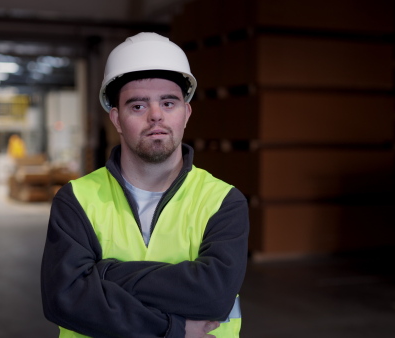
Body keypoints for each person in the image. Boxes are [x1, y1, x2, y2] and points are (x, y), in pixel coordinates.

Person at [41, 32, 249, 338]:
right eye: (138, 106)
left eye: (168, 103)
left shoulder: (223, 201)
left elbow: (213, 294)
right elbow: (64, 299)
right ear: (116, 119)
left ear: (186, 113)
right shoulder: (76, 200)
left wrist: (103, 275)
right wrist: (171, 328)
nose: (155, 116)